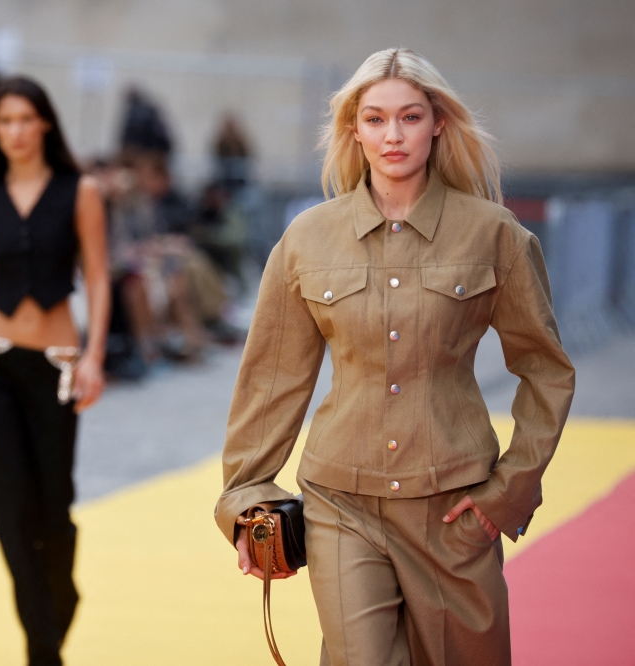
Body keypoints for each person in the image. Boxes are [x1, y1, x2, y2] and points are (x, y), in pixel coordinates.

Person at [215, 48, 575, 666]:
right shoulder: (307, 238)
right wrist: (245, 498)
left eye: (409, 117)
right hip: (340, 502)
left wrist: (508, 493)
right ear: (354, 128)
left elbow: (545, 371)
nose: (393, 135)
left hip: (455, 509)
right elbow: (272, 383)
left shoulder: (496, 236)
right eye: (376, 119)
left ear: (438, 122)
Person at [0, 76, 110, 666]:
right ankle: (43, 651)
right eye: (3, 122)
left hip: (58, 363)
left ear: (44, 123)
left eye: (23, 119)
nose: (14, 131)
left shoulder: (80, 191)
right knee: (8, 509)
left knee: (54, 509)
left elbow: (96, 275)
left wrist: (94, 356)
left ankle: (56, 605)